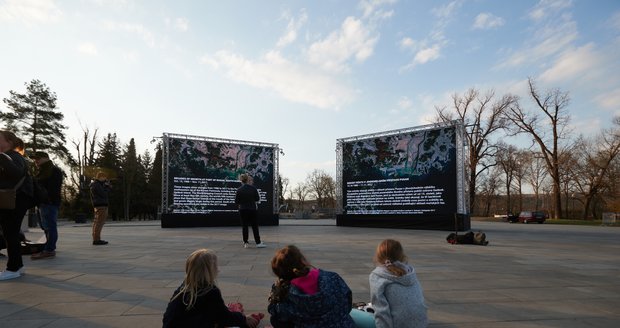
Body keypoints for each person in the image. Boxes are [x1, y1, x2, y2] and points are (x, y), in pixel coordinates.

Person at [162, 248, 262, 328]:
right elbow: (224, 317)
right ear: (210, 271)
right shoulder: (211, 292)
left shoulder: (183, 288)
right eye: (216, 266)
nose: (218, 269)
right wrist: (244, 318)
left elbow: (169, 317)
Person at [268, 245, 356, 328]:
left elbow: (274, 310)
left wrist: (276, 291)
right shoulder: (332, 276)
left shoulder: (287, 293)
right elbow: (347, 300)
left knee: (275, 320)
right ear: (303, 261)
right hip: (343, 325)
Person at [369, 239, 428, 328]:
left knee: (354, 315)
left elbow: (381, 312)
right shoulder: (409, 271)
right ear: (401, 256)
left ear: (378, 256)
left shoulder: (377, 275)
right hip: (421, 324)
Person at [0, 130, 34, 281]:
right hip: (14, 200)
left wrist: (1, 158)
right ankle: (18, 266)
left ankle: (13, 268)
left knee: (11, 233)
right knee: (10, 233)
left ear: (9, 142)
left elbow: (16, 173)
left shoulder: (14, 156)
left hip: (16, 200)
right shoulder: (10, 157)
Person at [30, 151, 63, 260]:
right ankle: (49, 247)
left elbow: (52, 189)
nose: (36, 161)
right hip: (43, 202)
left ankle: (49, 249)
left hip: (49, 202)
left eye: (38, 159)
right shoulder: (43, 171)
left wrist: (46, 199)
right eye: (35, 159)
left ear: (45, 158)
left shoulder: (53, 171)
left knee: (50, 226)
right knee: (46, 227)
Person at [234, 173, 265, 248]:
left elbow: (236, 201)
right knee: (254, 226)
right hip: (252, 209)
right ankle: (258, 242)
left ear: (241, 180)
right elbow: (257, 199)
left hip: (243, 209)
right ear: (247, 180)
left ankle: (246, 242)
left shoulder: (239, 189)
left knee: (244, 226)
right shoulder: (253, 188)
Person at [90, 171, 111, 245]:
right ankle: (96, 239)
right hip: (101, 205)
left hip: (98, 205)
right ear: (100, 177)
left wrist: (105, 186)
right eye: (104, 177)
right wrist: (107, 187)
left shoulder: (96, 184)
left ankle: (96, 238)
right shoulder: (96, 185)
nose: (105, 179)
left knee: (97, 222)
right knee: (99, 222)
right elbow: (104, 194)